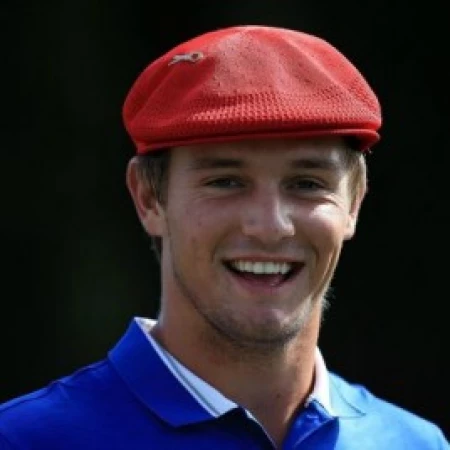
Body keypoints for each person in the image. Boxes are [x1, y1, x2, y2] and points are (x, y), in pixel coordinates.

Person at [0, 24, 448, 450]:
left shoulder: (415, 443)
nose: (270, 226)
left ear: (353, 203)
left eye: (307, 183)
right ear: (149, 198)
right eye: (226, 182)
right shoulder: (25, 440)